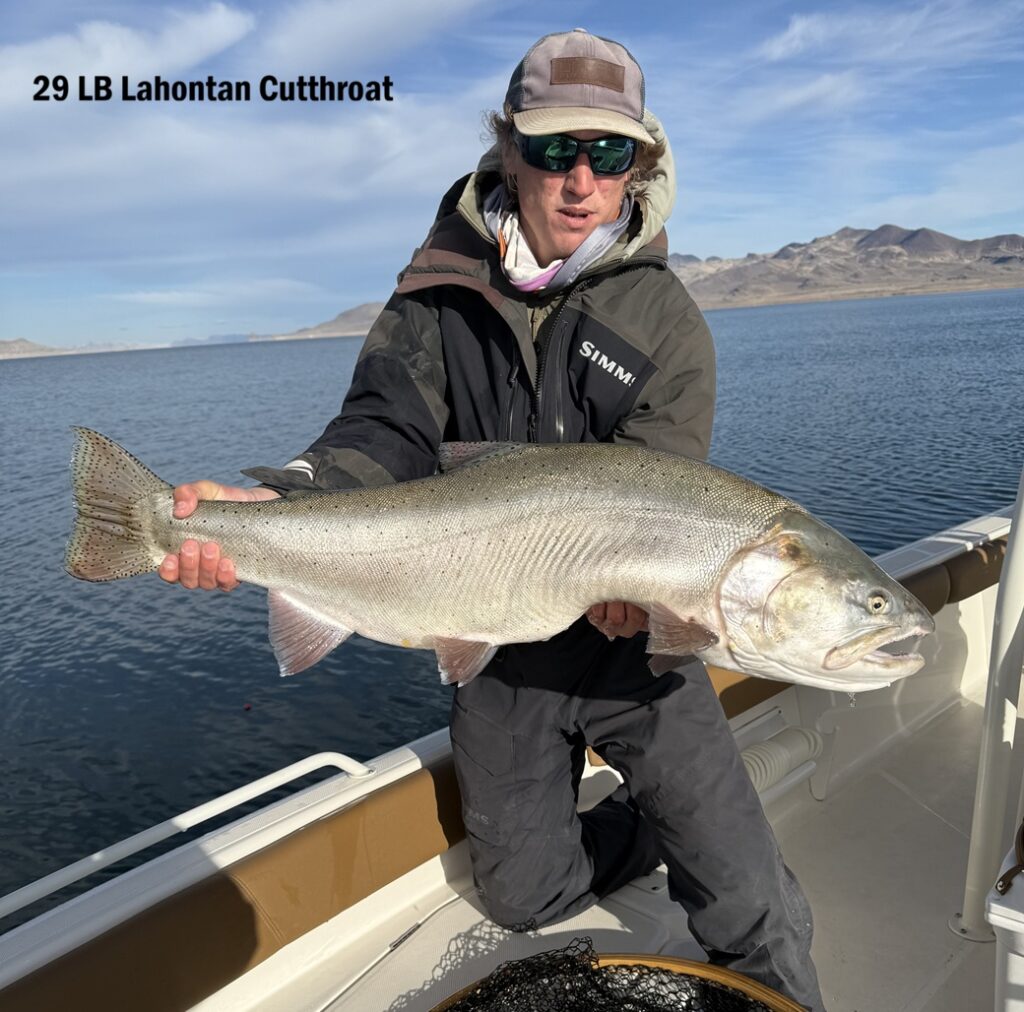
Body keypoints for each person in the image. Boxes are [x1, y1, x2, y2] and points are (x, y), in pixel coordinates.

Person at [160, 30, 826, 1011]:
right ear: (508, 150)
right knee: (520, 895)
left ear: (641, 162)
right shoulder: (435, 293)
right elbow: (381, 428)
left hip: (632, 650)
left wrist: (639, 602)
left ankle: (698, 851)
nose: (582, 179)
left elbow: (657, 492)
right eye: (556, 149)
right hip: (496, 639)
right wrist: (283, 506)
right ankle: (640, 830)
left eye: (611, 153)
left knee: (750, 901)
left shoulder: (666, 322)